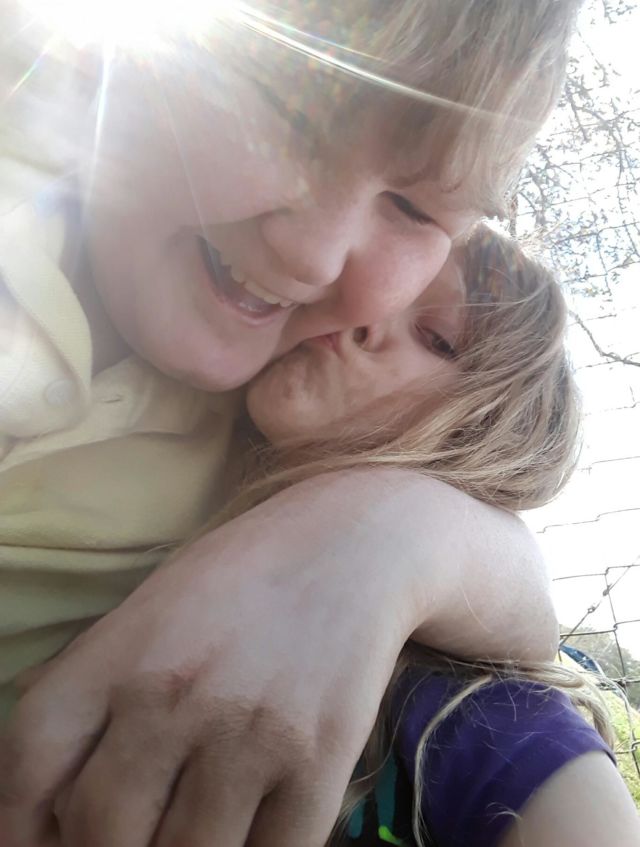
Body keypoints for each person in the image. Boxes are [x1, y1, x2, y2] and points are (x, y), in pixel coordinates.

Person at [0, 2, 584, 845]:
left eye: (414, 210)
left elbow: (531, 650)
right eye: (293, 110)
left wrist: (385, 541)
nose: (315, 260)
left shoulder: (254, 422)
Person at [218, 225, 639, 847]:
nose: (363, 317)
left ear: (480, 436)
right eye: (377, 290)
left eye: (436, 336)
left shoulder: (474, 715)